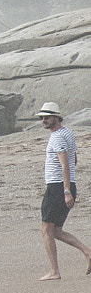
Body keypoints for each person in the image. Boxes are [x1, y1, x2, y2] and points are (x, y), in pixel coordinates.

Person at [36, 103, 89, 280]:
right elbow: (74, 159)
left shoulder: (57, 137)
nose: (44, 120)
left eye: (47, 117)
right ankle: (88, 252)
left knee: (46, 229)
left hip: (58, 187)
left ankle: (54, 271)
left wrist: (66, 190)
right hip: (66, 185)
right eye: (42, 118)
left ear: (57, 117)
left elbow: (66, 163)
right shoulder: (67, 133)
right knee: (56, 231)